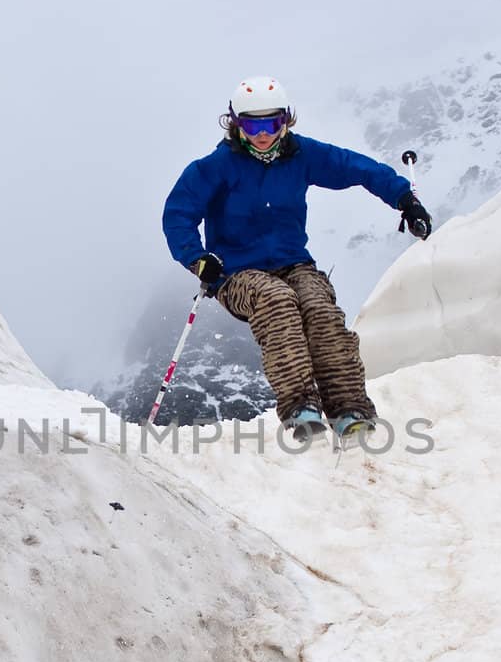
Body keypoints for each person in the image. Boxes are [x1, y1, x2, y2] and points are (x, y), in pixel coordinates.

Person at [162, 75, 433, 441]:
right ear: (235, 124)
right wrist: (198, 260)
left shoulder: (300, 155)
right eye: (252, 124)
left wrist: (404, 199)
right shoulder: (215, 167)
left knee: (318, 307)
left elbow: (356, 167)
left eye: (272, 123)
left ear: (286, 120)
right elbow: (178, 214)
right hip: (237, 273)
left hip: (293, 263)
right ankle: (301, 410)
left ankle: (349, 410)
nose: (263, 134)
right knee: (278, 301)